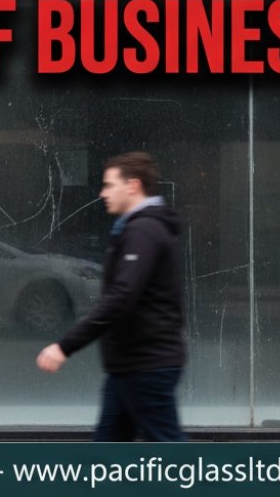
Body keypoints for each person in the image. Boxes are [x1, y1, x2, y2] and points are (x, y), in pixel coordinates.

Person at [36, 151, 187, 441]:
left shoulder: (143, 231)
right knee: (109, 453)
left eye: (109, 185)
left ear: (132, 185)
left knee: (170, 457)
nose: (103, 193)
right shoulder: (136, 229)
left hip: (146, 364)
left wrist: (64, 346)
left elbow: (121, 297)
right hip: (130, 365)